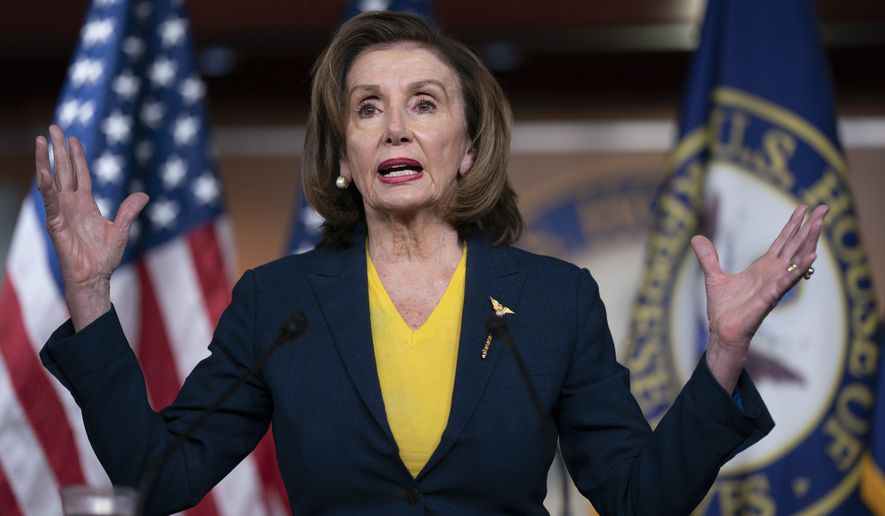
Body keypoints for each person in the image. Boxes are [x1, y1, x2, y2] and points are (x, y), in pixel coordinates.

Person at [36, 10, 827, 516]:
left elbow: (636, 496)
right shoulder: (278, 301)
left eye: (423, 103)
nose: (394, 129)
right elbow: (160, 474)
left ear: (468, 147)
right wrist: (89, 294)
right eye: (367, 108)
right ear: (343, 155)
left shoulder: (554, 301)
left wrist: (724, 354)